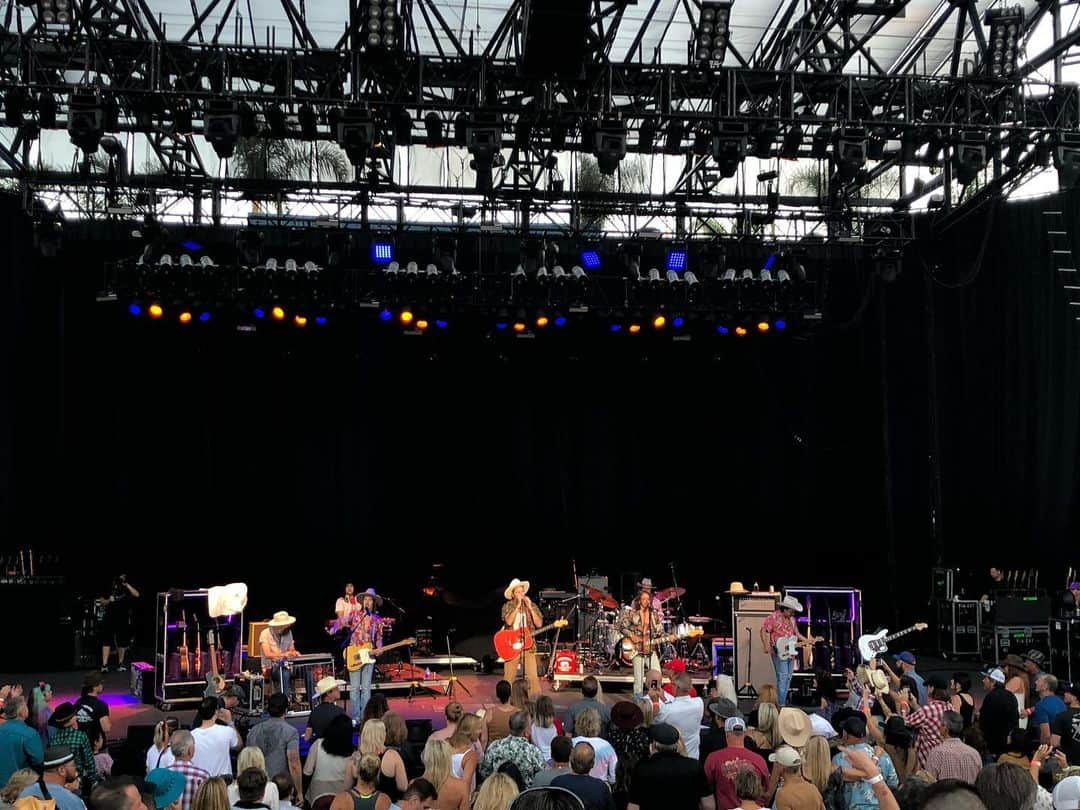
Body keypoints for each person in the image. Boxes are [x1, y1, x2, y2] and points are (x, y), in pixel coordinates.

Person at [760, 597, 818, 706]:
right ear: (785, 609)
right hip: (778, 652)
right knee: (782, 677)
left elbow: (797, 634)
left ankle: (781, 701)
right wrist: (766, 645)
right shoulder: (774, 617)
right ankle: (781, 705)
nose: (793, 613)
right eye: (791, 611)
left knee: (787, 678)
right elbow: (764, 630)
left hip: (790, 652)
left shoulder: (792, 620)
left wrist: (808, 641)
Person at [340, 589, 384, 727]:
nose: (367, 601)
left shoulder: (377, 620)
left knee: (365, 689)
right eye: (365, 599)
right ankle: (355, 718)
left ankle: (365, 718)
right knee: (354, 688)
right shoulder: (355, 615)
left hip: (368, 655)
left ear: (373, 603)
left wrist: (380, 648)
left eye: (370, 600)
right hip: (355, 655)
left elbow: (379, 638)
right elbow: (342, 621)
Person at [501, 579, 544, 697]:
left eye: (522, 591)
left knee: (532, 677)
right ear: (513, 594)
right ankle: (507, 701)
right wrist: (518, 606)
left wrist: (530, 608)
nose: (521, 594)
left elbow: (539, 624)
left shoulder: (532, 605)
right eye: (518, 592)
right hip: (512, 646)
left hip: (528, 646)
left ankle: (535, 700)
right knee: (508, 677)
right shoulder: (508, 606)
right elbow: (508, 621)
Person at [622, 581, 662, 699]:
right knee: (638, 680)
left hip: (650, 648)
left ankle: (654, 696)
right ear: (639, 601)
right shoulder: (632, 614)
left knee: (656, 674)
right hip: (637, 649)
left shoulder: (653, 615)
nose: (646, 601)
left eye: (647, 599)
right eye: (643, 599)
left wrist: (662, 634)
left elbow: (659, 630)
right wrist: (631, 635)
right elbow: (622, 627)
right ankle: (638, 703)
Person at [17, 746, 86, 810]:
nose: (75, 768)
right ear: (62, 770)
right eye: (73, 765)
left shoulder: (25, 793)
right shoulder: (71, 801)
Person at [98, 575, 140, 673]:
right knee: (106, 640)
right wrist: (109, 600)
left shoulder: (126, 587)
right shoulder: (108, 586)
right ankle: (104, 665)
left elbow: (137, 594)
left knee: (122, 641)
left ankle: (120, 664)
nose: (122, 578)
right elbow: (101, 601)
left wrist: (127, 585)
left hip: (123, 617)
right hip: (109, 616)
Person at [259, 612, 301, 698]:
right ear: (279, 626)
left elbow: (291, 649)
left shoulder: (288, 633)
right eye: (286, 625)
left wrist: (294, 652)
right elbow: (267, 654)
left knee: (307, 669)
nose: (288, 626)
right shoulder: (265, 633)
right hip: (271, 668)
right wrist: (284, 654)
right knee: (284, 673)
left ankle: (312, 702)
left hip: (287, 665)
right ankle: (285, 702)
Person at [305, 678, 347, 743]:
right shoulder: (339, 712)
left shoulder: (314, 712)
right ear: (328, 693)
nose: (339, 690)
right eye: (336, 689)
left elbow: (307, 737)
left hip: (320, 750)